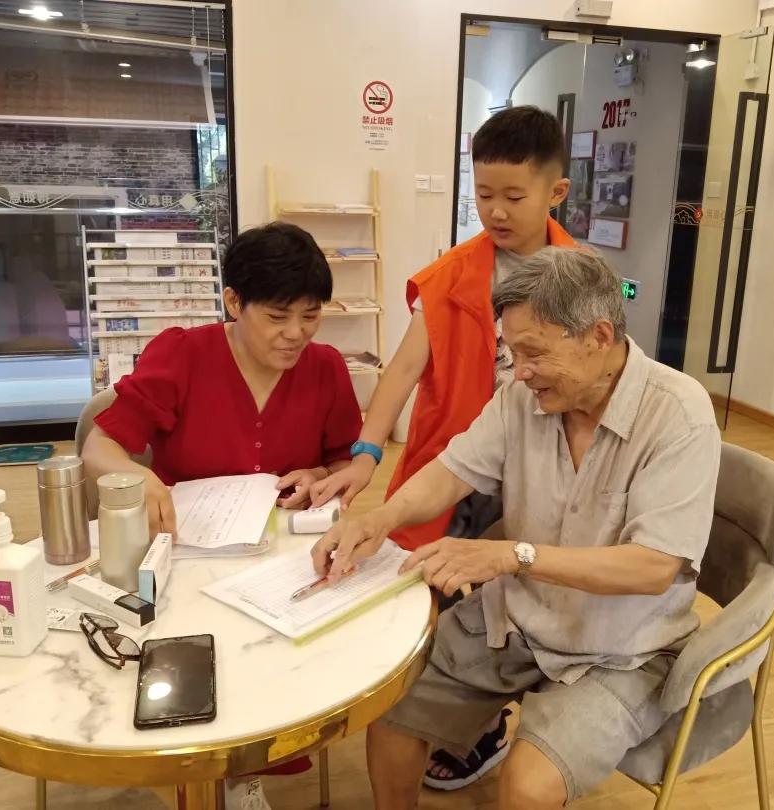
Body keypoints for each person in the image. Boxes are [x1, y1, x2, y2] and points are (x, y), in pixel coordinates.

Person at [312, 247, 722, 809]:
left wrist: (513, 555)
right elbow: (452, 471)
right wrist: (382, 518)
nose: (519, 370)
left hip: (622, 647)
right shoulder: (522, 399)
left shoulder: (678, 414)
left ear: (599, 336)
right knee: (391, 708)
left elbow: (653, 568)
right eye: (512, 351)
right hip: (520, 618)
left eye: (534, 352)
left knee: (527, 787)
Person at [309, 105, 576, 787]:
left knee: (513, 598)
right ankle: (446, 719)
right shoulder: (454, 274)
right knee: (436, 593)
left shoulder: (580, 278)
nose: (496, 210)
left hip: (542, 477)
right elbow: (402, 370)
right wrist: (366, 455)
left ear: (556, 192)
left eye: (514, 195)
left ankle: (488, 728)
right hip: (453, 468)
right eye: (483, 194)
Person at [81, 220, 362, 810]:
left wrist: (320, 475)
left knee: (295, 656)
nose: (295, 334)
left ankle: (244, 769)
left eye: (310, 316)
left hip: (279, 563)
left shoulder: (326, 368)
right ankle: (204, 771)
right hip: (186, 560)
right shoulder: (184, 354)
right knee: (199, 672)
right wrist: (139, 476)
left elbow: (343, 461)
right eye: (277, 316)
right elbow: (98, 448)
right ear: (234, 302)